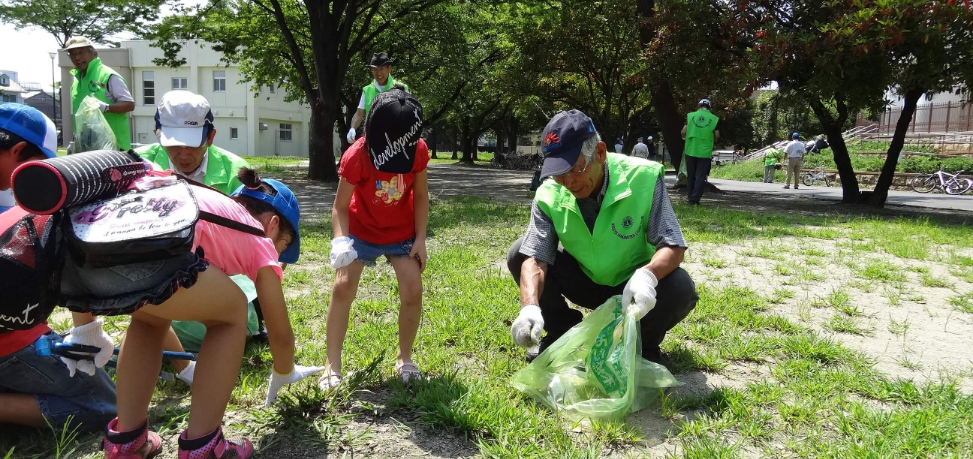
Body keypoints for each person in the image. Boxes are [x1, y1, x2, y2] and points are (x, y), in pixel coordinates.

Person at [52, 166, 322, 458]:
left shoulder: (209, 202)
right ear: (273, 224)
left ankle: (125, 441)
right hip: (147, 258)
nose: (278, 257)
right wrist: (284, 370)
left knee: (149, 320)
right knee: (230, 314)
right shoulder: (258, 237)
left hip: (93, 256)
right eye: (283, 247)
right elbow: (280, 334)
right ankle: (202, 447)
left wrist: (85, 325)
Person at [506, 109, 698, 366]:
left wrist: (648, 275)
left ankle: (644, 343)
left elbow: (673, 244)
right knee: (519, 253)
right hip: (584, 279)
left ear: (599, 153)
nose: (568, 182)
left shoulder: (642, 177)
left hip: (630, 285)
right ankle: (561, 331)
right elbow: (535, 257)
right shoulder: (550, 193)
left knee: (680, 287)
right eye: (558, 173)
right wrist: (529, 307)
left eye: (575, 169)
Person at [0, 103, 117, 433]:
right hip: (8, 339)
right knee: (105, 405)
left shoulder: (5, 197)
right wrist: (87, 330)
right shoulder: (19, 204)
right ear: (20, 150)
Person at [324, 87, 429, 389]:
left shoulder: (418, 150)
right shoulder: (357, 155)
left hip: (401, 233)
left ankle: (404, 358)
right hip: (361, 230)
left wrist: (420, 237)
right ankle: (332, 364)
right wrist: (341, 241)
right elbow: (340, 207)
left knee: (413, 289)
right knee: (342, 287)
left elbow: (420, 196)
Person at [137, 90, 252, 195]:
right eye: (174, 145)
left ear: (210, 137)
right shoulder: (134, 166)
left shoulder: (239, 174)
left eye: (192, 146)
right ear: (158, 136)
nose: (183, 155)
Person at [65, 36, 135, 151]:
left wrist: (106, 108)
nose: (77, 57)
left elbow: (129, 104)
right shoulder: (77, 80)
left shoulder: (108, 75)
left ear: (94, 53)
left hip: (113, 147)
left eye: (81, 52)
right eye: (72, 54)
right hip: (86, 146)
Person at [346, 52, 410, 144]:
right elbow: (359, 114)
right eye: (375, 70)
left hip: (396, 141)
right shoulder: (367, 90)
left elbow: (409, 114)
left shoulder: (402, 88)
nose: (378, 73)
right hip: (373, 140)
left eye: (382, 69)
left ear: (389, 68)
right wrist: (352, 128)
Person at [681, 99, 720, 205]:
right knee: (700, 177)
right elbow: (717, 135)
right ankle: (695, 199)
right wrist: (713, 140)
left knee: (691, 176)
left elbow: (683, 132)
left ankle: (690, 199)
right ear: (709, 107)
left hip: (691, 150)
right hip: (705, 152)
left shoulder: (690, 116)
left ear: (699, 106)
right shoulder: (714, 119)